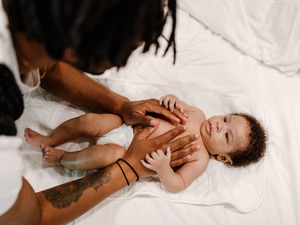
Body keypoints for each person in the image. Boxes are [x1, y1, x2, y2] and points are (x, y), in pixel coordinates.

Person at [0, 1, 200, 225]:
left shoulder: (26, 31)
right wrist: (131, 167)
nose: (126, 59)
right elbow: (28, 219)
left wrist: (121, 105)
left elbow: (48, 68)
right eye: (131, 43)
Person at [24, 94, 266, 192]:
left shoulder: (200, 158)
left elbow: (178, 184)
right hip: (126, 126)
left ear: (223, 157)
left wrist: (162, 169)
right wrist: (172, 100)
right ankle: (51, 138)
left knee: (104, 157)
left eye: (226, 136)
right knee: (89, 121)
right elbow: (174, 104)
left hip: (126, 152)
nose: (219, 126)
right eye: (225, 119)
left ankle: (61, 157)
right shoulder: (199, 114)